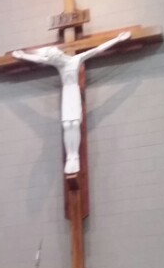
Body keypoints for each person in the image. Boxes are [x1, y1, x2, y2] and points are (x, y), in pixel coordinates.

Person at [12, 31, 131, 174]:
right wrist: (23, 56)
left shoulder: (76, 59)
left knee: (74, 123)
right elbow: (39, 59)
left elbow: (98, 49)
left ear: (60, 55)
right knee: (66, 125)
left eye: (56, 59)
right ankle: (70, 156)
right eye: (53, 60)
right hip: (66, 94)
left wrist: (117, 39)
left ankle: (75, 156)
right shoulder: (57, 64)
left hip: (74, 92)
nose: (55, 62)